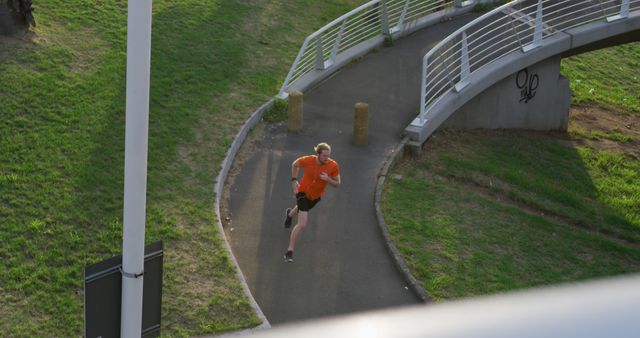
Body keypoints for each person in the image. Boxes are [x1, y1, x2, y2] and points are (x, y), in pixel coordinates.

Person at [283, 142, 341, 262]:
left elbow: (337, 184)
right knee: (302, 223)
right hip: (302, 192)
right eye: (324, 156)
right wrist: (294, 180)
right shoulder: (308, 160)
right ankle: (289, 251)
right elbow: (295, 164)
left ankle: (289, 214)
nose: (327, 158)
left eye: (328, 155)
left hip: (315, 196)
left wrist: (328, 179)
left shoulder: (333, 165)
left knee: (299, 209)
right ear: (318, 154)